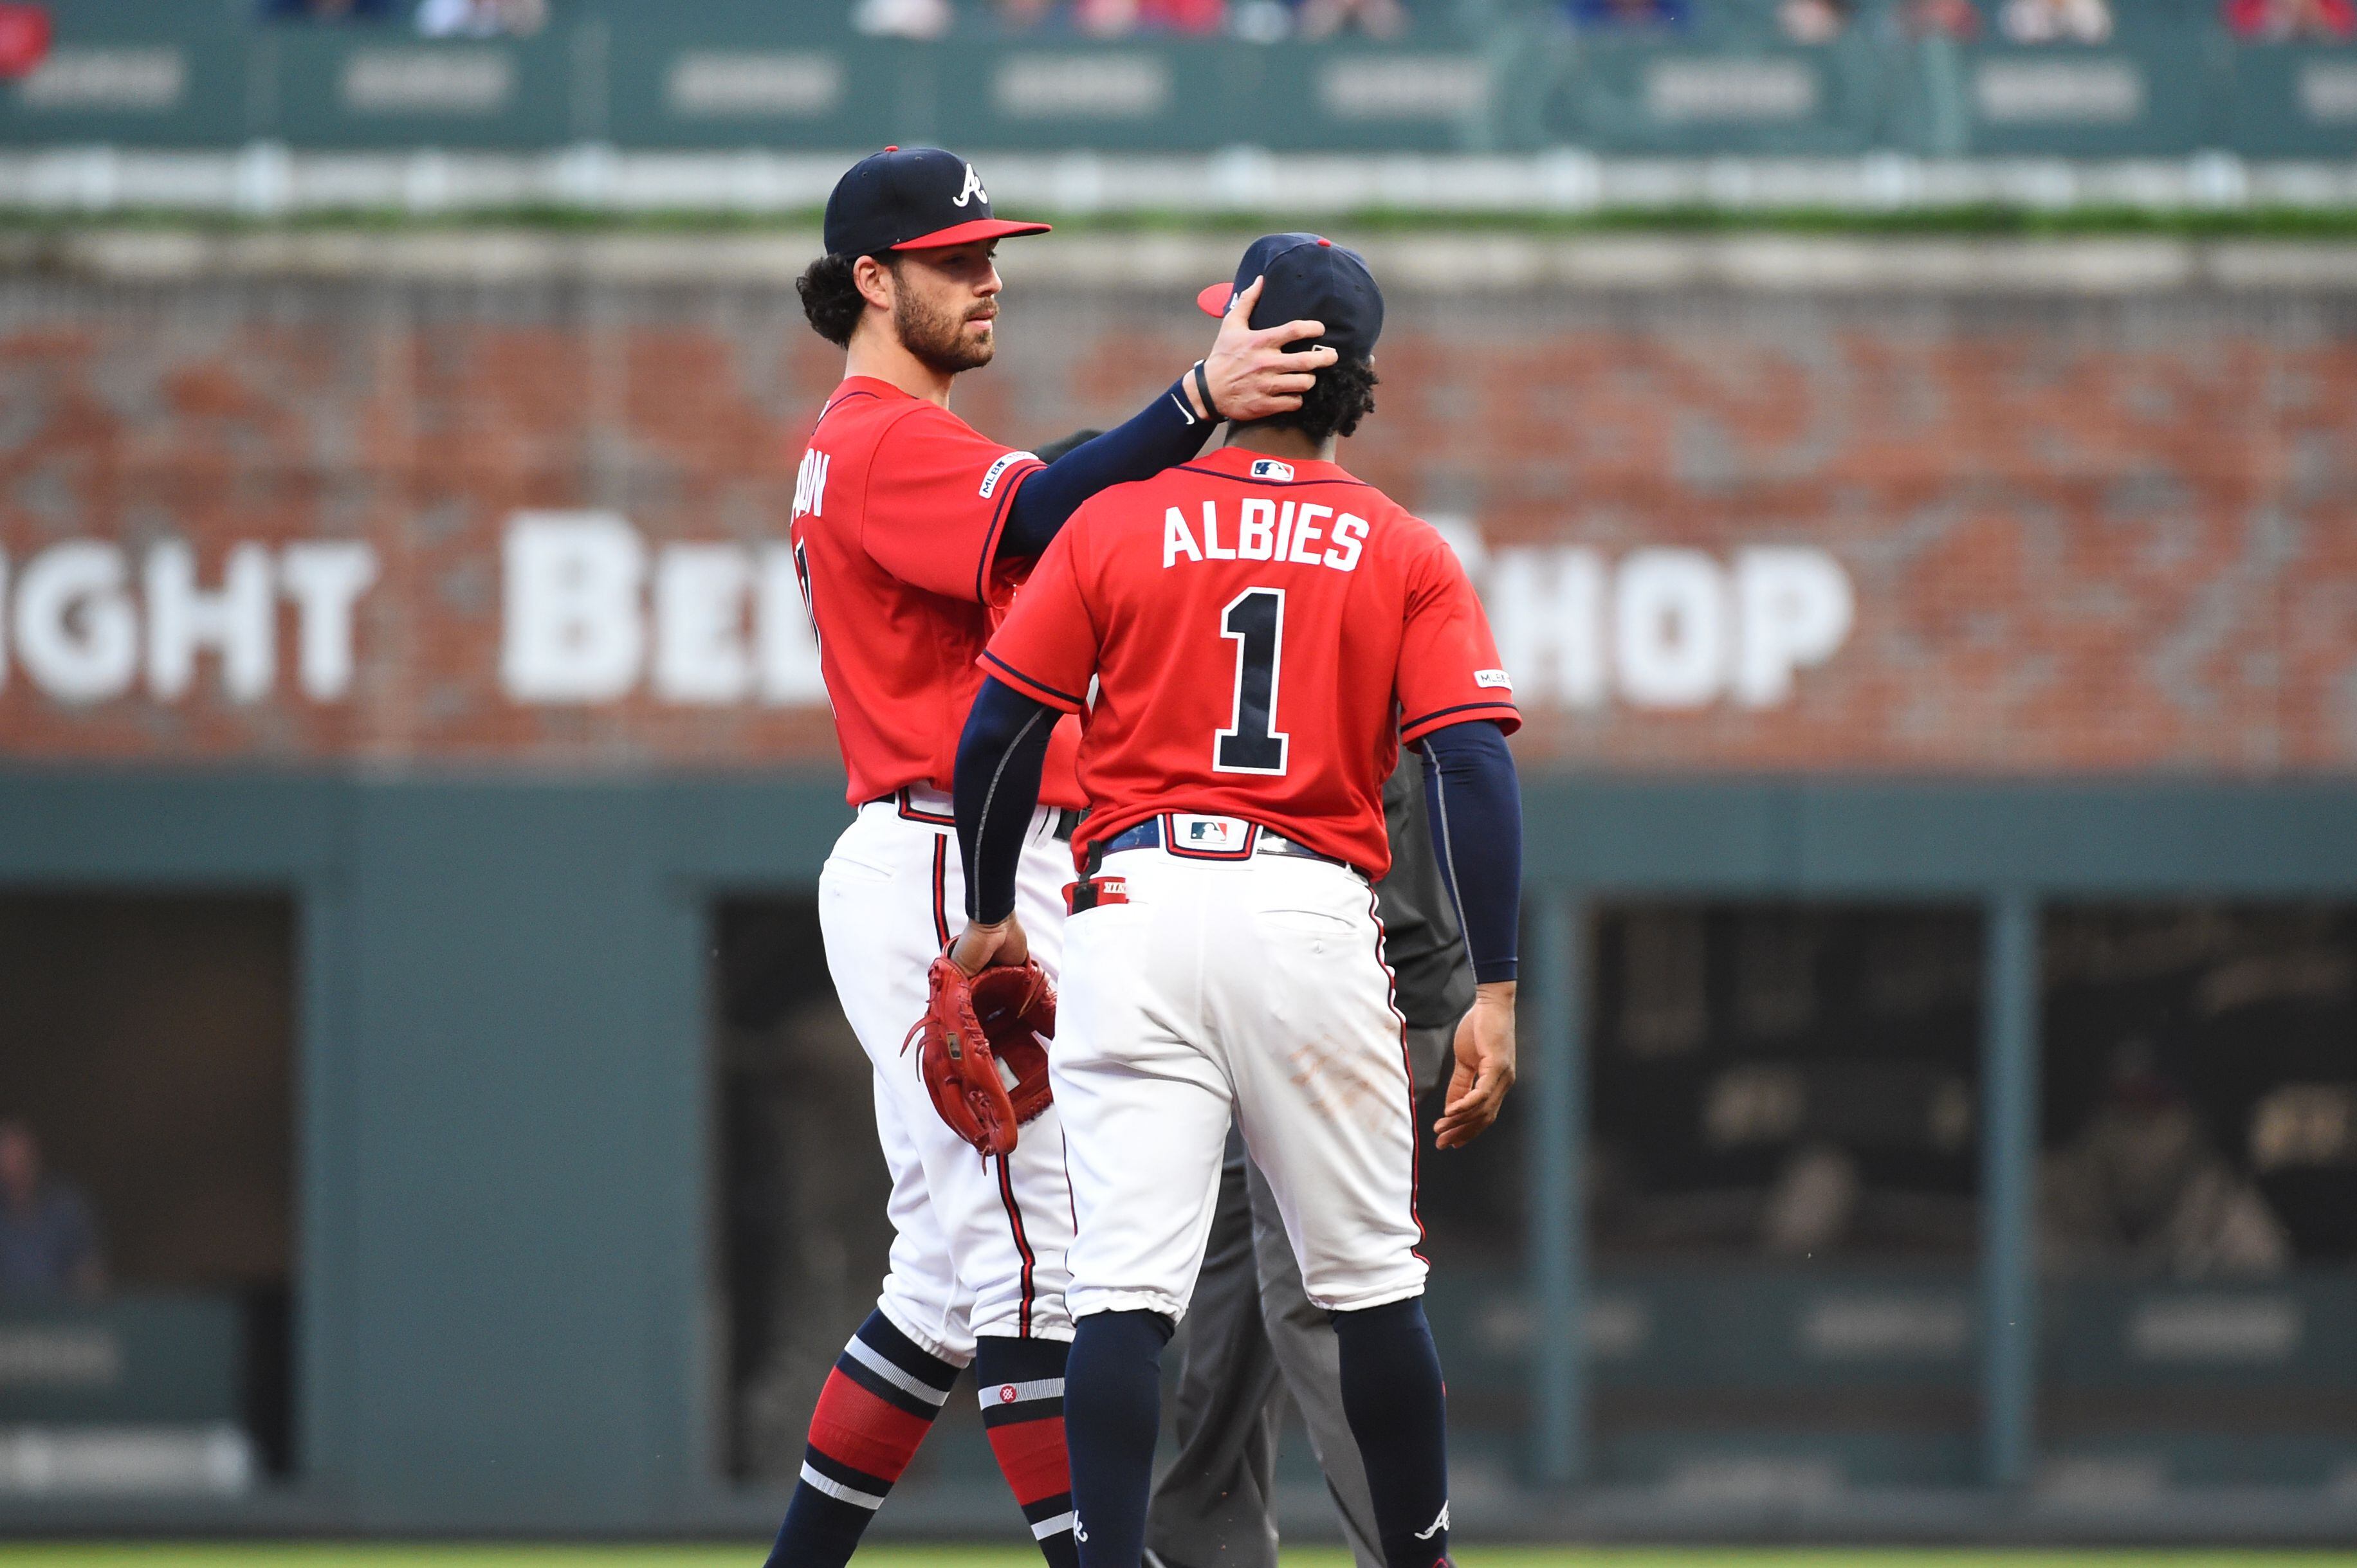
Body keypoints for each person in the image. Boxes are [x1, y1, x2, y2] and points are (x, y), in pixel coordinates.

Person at [767, 149, 1335, 1568]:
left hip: (953, 853)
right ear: (871, 279)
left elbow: (1066, 504)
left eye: (988, 251)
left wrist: (1185, 436)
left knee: (939, 1280)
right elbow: (1039, 515)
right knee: (1045, 1256)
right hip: (958, 862)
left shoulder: (907, 442)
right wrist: (1195, 401)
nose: (987, 275)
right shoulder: (882, 437)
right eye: (954, 258)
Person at [947, 232, 1524, 1568]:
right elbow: (1471, 767)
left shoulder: (1114, 518)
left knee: (1121, 1298)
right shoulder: (1400, 546)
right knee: (1371, 1287)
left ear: (1252, 356)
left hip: (1133, 902)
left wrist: (988, 909)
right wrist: (1490, 985)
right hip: (1305, 915)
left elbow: (993, 735)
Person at [1143, 749, 1471, 1568]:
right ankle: (1204, 1538)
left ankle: (1403, 1553)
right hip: (1248, 987)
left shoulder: (1335, 668)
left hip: (1361, 992)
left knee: (1316, 1298)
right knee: (1226, 1283)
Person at [0, 1120, 104, 1302]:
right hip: (7, 1321)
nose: (14, 1168)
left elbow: (90, 1273)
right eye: (7, 1159)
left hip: (60, 1320)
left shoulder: (66, 1207)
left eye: (20, 1159)